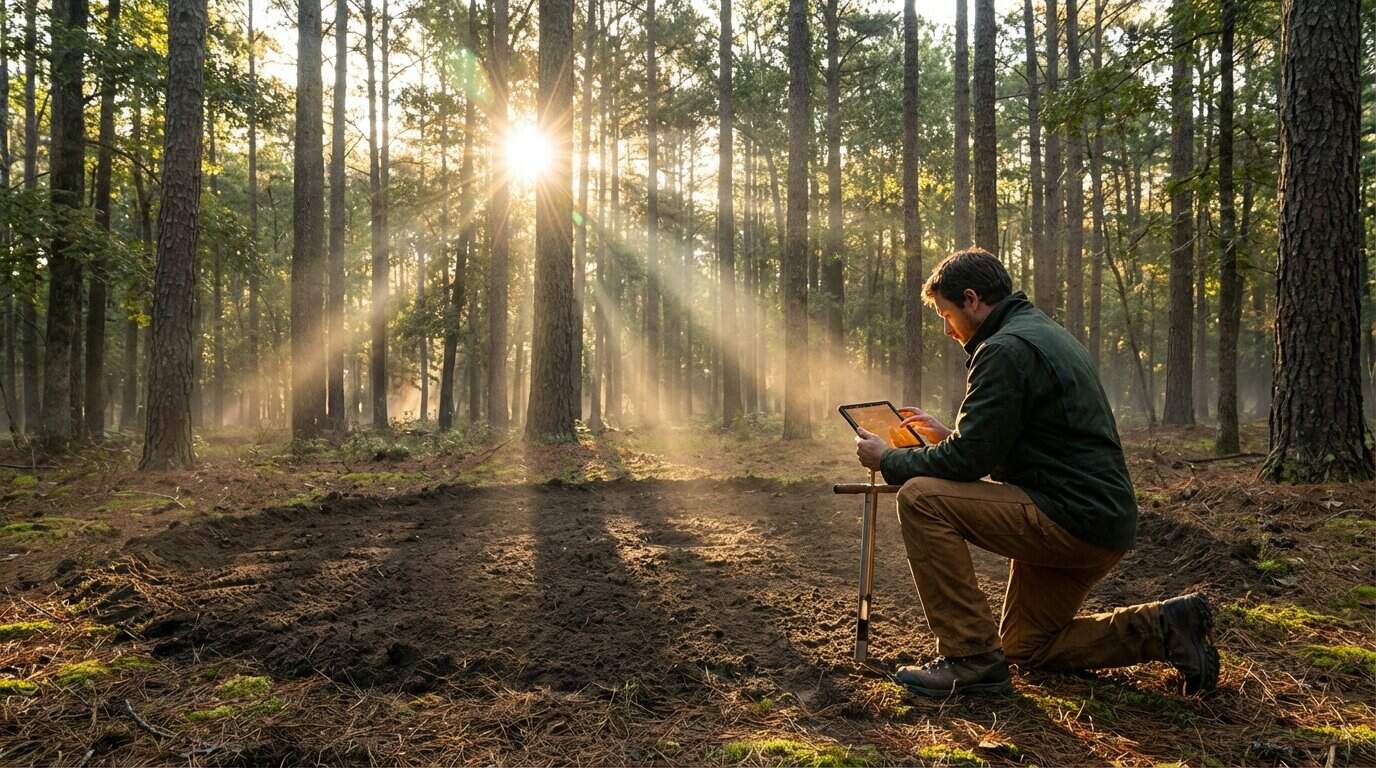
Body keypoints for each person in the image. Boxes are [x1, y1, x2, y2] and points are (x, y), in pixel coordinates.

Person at [854, 248, 1218, 698]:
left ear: (971, 299)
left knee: (920, 497)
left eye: (946, 315)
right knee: (1026, 646)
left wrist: (888, 459)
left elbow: (967, 463)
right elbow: (1012, 443)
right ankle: (1164, 627)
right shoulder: (1042, 332)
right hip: (1101, 519)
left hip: (1067, 516)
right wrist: (950, 434)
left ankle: (969, 658)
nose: (948, 331)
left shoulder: (1004, 349)